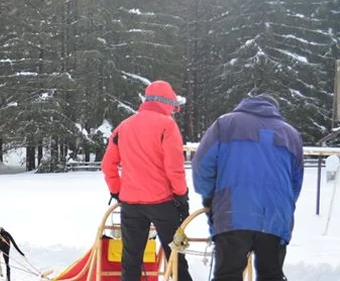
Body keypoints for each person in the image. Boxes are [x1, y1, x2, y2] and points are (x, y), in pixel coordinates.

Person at [192, 93, 303, 281]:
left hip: (232, 212)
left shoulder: (225, 125)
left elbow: (202, 165)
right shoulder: (290, 134)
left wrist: (210, 195)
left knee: (227, 275)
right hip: (275, 217)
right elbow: (295, 182)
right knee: (271, 275)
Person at [101, 80, 193, 281]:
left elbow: (108, 165)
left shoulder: (124, 126)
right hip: (163, 202)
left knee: (131, 259)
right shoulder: (167, 125)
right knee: (175, 255)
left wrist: (117, 190)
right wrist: (181, 194)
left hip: (131, 203)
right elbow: (174, 167)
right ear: (168, 102)